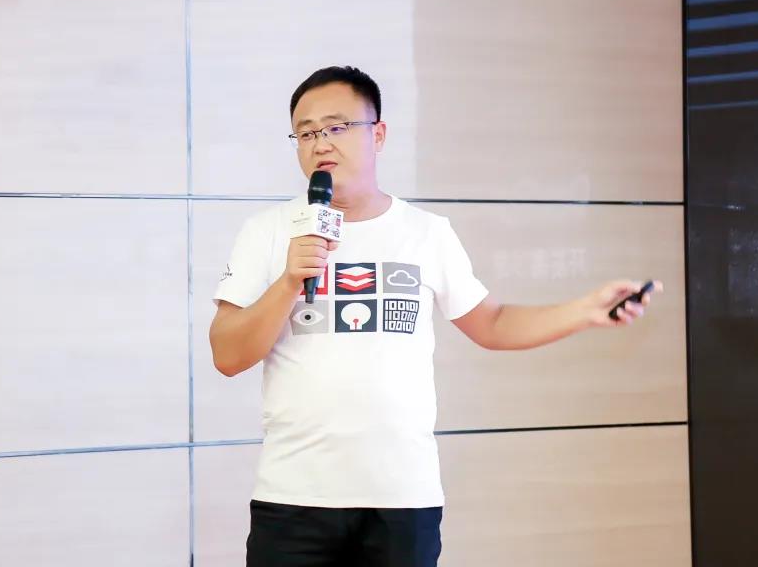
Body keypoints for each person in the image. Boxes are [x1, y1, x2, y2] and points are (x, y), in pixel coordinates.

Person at [209, 65, 661, 567]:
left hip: (403, 497)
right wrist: (289, 281)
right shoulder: (268, 232)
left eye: (337, 127)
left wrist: (585, 310)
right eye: (307, 133)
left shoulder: (426, 233)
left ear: (378, 134)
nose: (321, 143)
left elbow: (492, 324)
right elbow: (227, 354)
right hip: (294, 497)